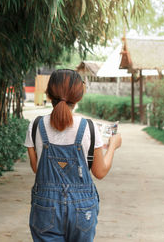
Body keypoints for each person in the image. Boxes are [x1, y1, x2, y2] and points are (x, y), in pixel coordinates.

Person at [24, 69, 122, 242]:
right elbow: (100, 172)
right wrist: (113, 145)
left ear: (48, 94)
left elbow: (36, 168)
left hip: (45, 206)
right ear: (79, 96)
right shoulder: (89, 128)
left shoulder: (36, 125)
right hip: (82, 208)